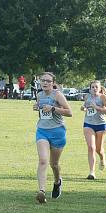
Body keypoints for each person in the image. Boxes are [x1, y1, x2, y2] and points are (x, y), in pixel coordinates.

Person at [33, 72, 73, 203]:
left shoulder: (57, 95)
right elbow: (41, 112)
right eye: (43, 80)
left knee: (54, 164)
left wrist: (53, 108)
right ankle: (42, 191)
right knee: (43, 160)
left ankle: (57, 181)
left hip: (57, 132)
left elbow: (69, 112)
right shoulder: (39, 95)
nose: (45, 83)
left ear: (53, 83)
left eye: (48, 81)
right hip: (42, 131)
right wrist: (36, 107)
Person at [80, 80, 106, 180]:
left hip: (101, 125)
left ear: (100, 88)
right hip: (88, 124)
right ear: (90, 89)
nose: (94, 89)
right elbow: (86, 106)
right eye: (92, 87)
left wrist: (97, 107)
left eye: (96, 87)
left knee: (98, 149)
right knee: (91, 147)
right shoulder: (87, 97)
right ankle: (92, 172)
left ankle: (102, 158)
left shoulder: (102, 97)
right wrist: (83, 108)